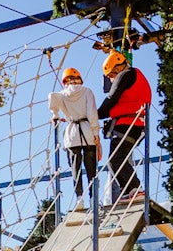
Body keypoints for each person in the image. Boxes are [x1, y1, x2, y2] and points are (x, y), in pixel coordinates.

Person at [98, 50, 151, 202]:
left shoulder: (126, 75)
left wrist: (94, 115)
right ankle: (129, 190)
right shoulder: (134, 76)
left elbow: (111, 99)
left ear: (117, 68)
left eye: (111, 76)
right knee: (116, 159)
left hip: (128, 124)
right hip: (136, 124)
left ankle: (134, 188)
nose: (112, 79)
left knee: (115, 159)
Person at [48, 67, 102, 211]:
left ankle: (80, 198)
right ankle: (93, 198)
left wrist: (55, 114)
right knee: (91, 169)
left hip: (72, 135)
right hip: (87, 132)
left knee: (75, 168)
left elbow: (51, 96)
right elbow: (92, 114)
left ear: (65, 81)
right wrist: (96, 134)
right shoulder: (87, 92)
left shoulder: (62, 94)